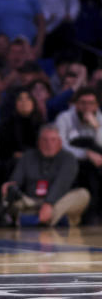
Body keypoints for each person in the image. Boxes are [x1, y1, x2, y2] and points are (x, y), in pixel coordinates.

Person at [0, 125, 89, 227]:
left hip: (58, 202)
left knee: (83, 195)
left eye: (53, 140)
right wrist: (10, 186)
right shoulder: (28, 156)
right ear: (38, 142)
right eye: (45, 140)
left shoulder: (69, 159)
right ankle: (55, 220)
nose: (49, 144)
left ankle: (34, 220)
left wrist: (49, 204)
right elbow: (16, 180)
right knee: (7, 193)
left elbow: (61, 185)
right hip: (31, 202)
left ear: (60, 142)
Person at [54, 87, 102, 223]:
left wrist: (97, 127)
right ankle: (87, 214)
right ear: (75, 103)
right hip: (71, 160)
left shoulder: (99, 117)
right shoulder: (65, 118)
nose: (87, 107)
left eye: (91, 103)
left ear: (97, 105)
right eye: (83, 103)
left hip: (96, 161)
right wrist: (85, 153)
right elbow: (60, 145)